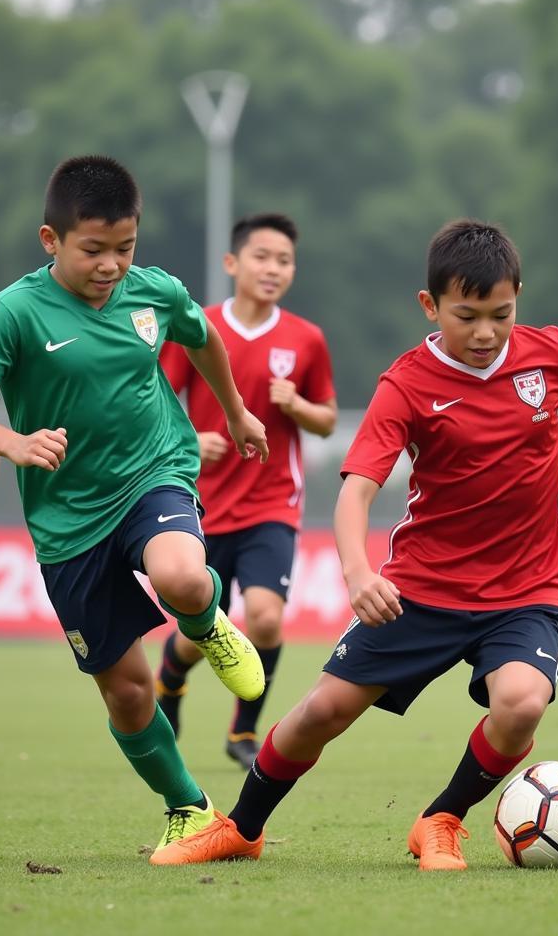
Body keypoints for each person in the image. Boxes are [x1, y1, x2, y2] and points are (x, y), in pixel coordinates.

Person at [150, 218, 558, 869]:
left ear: (519, 296)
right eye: (467, 316)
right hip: (424, 588)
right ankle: (242, 827)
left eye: (501, 314)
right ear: (430, 306)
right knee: (322, 712)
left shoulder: (549, 354)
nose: (486, 333)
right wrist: (358, 573)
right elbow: (356, 490)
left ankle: (441, 820)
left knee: (522, 705)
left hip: (528, 590)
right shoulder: (406, 383)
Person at [0, 154, 269, 860]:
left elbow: (201, 335)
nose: (112, 264)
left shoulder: (154, 294)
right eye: (94, 249)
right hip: (67, 523)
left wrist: (235, 413)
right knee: (126, 691)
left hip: (154, 472)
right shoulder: (13, 313)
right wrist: (13, 444)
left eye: (126, 247)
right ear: (50, 240)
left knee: (182, 575)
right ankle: (191, 809)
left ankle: (207, 625)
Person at [156, 212, 337, 770]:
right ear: (232, 263)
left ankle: (243, 731)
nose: (273, 268)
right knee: (200, 630)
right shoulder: (198, 326)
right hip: (201, 503)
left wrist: (296, 405)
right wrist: (193, 442)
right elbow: (158, 400)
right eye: (262, 256)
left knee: (263, 618)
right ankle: (171, 680)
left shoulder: (306, 339)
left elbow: (328, 420)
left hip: (272, 504)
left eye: (284, 260)